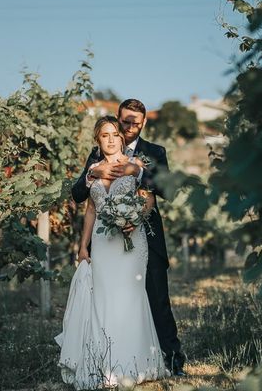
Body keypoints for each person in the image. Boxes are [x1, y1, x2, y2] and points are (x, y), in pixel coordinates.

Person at [71, 99, 186, 376]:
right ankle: (110, 358)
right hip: (105, 242)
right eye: (125, 120)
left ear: (143, 122)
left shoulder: (154, 152)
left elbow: (167, 192)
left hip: (146, 238)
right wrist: (91, 173)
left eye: (136, 121)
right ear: (118, 120)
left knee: (157, 300)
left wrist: (141, 172)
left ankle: (173, 362)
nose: (130, 125)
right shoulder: (97, 154)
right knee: (111, 298)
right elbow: (80, 196)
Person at [56, 116, 168, 389]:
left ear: (121, 137)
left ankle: (133, 364)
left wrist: (136, 218)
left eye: (114, 134)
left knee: (130, 297)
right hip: (102, 243)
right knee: (102, 299)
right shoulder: (93, 170)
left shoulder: (135, 165)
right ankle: (104, 363)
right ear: (98, 140)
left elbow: (149, 199)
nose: (110, 139)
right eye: (104, 135)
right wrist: (83, 246)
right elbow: (91, 209)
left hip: (131, 240)